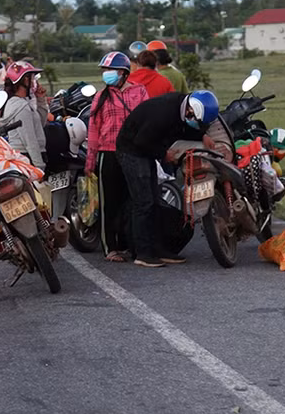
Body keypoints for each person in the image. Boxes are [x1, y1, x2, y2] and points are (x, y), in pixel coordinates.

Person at [116, 90, 219, 267]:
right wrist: (164, 155)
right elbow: (142, 141)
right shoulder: (163, 113)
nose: (198, 125)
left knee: (156, 202)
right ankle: (142, 253)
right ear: (190, 111)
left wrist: (202, 136)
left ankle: (157, 248)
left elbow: (183, 128)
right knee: (144, 202)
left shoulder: (181, 107)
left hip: (145, 152)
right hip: (132, 151)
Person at [84, 52, 149, 262]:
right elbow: (93, 129)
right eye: (104, 71)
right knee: (109, 203)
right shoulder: (101, 96)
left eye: (109, 71)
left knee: (131, 201)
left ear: (123, 73)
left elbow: (147, 121)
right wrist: (90, 160)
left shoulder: (139, 92)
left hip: (132, 154)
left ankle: (128, 244)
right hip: (107, 154)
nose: (106, 74)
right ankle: (110, 247)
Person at [0, 61, 47, 171]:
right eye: (32, 77)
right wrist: (39, 166)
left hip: (26, 156)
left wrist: (41, 100)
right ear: (25, 79)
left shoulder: (23, 102)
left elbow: (40, 125)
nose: (35, 81)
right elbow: (30, 140)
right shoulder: (21, 107)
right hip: (26, 157)